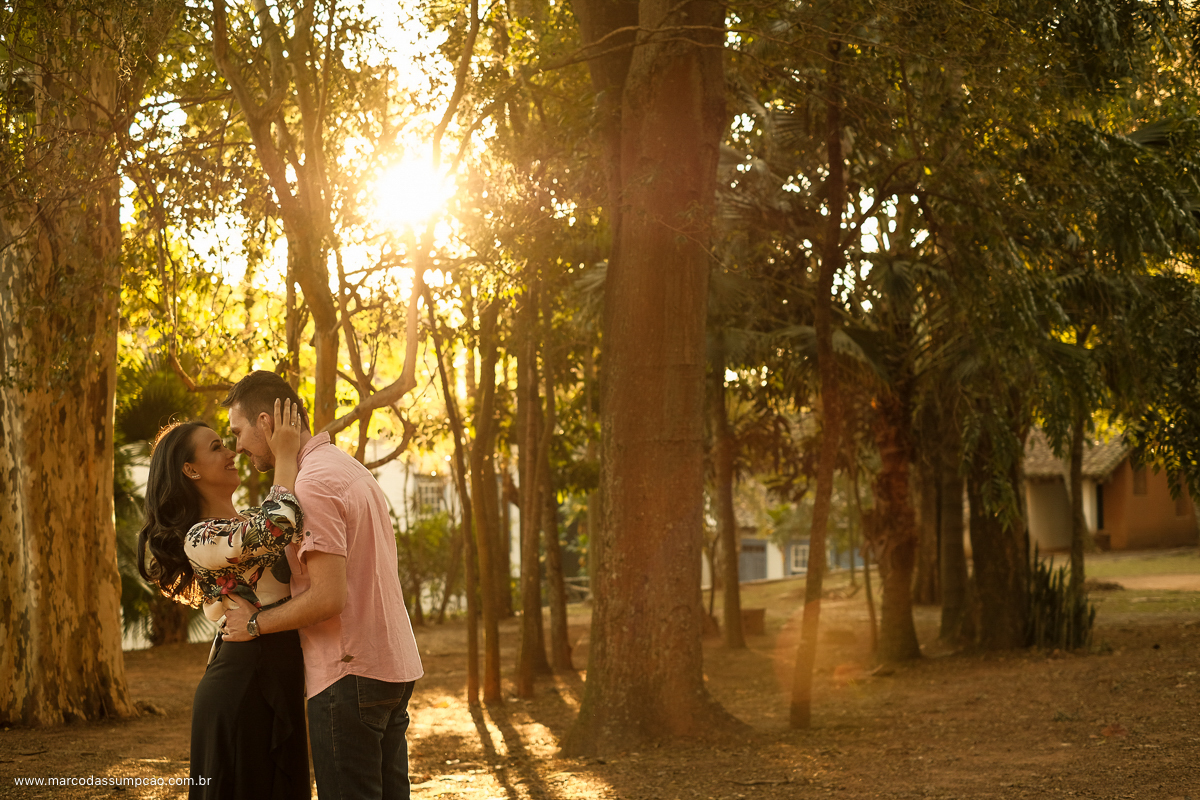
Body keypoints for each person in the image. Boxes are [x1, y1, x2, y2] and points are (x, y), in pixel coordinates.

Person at [219, 371, 424, 800]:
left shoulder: (311, 484)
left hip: (348, 673)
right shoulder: (347, 468)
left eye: (238, 432)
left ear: (264, 422)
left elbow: (329, 597)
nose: (236, 446)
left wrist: (255, 624)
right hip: (391, 665)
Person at [137, 401, 310, 800]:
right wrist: (284, 453)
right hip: (242, 690)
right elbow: (282, 520)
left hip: (276, 680)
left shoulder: (245, 521)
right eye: (217, 446)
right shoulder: (201, 538)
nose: (232, 452)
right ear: (190, 470)